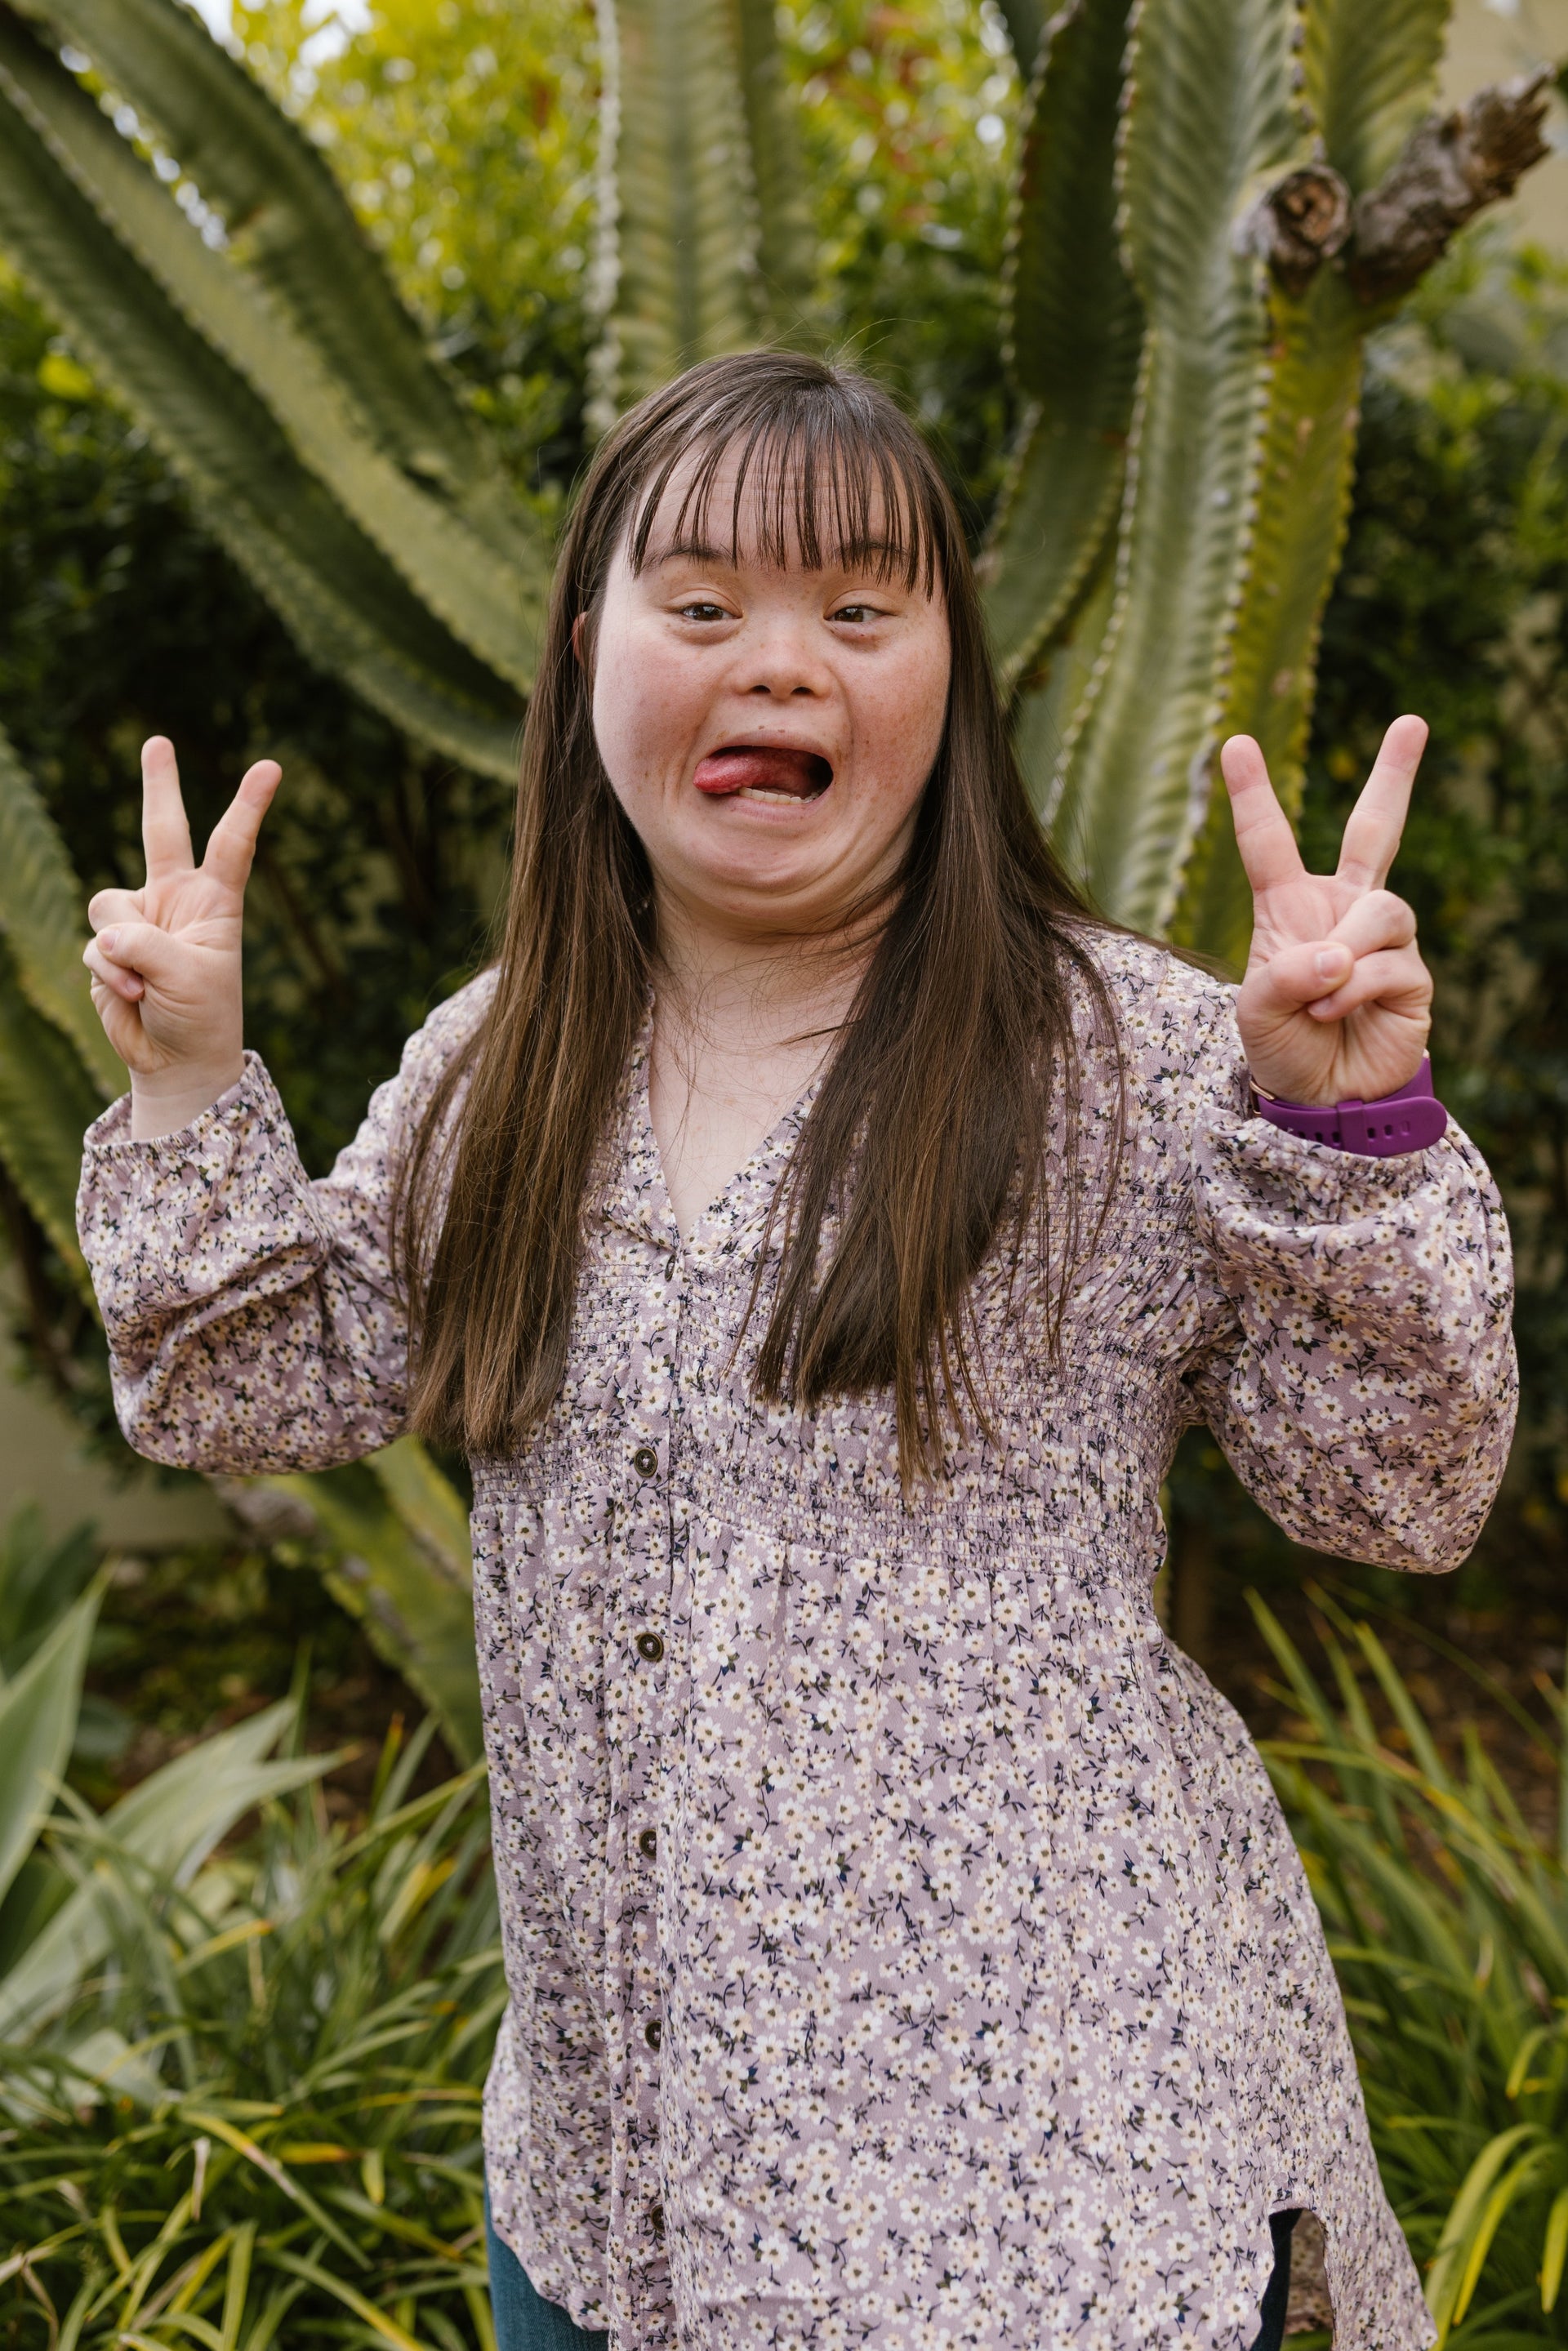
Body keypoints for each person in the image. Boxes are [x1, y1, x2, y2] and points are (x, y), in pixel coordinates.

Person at [77, 353, 1515, 2351]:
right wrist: (186, 1087)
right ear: (591, 660)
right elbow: (243, 1386)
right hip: (611, 2203)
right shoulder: (506, 1062)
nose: (780, 664)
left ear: (948, 680)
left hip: (1038, 2212)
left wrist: (1348, 1135)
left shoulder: (1133, 1056)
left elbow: (1404, 1495)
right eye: (702, 607)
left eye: (859, 609)